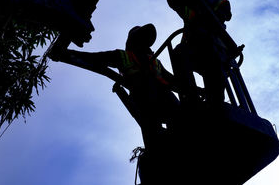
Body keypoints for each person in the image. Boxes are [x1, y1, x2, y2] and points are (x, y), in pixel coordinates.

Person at [49, 23, 180, 150]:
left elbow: (173, 81)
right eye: (141, 37)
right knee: (155, 131)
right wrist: (66, 53)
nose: (144, 41)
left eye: (146, 38)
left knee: (182, 117)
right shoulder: (122, 56)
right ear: (134, 41)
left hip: (166, 99)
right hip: (144, 97)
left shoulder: (156, 61)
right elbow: (95, 58)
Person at [157, 0, 234, 106]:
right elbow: (176, 1)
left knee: (216, 86)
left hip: (215, 50)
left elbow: (223, 16)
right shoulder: (191, 5)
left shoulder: (221, 4)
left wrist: (202, 14)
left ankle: (216, 105)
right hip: (195, 48)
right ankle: (190, 99)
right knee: (180, 53)